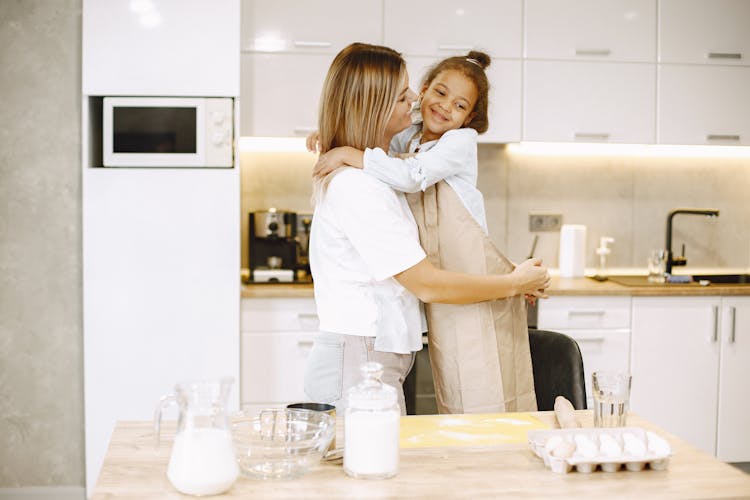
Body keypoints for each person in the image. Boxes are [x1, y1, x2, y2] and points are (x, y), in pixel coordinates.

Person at [304, 42, 550, 414]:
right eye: (404, 95)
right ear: (375, 106)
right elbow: (426, 282)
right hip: (359, 363)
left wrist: (503, 276)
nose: (416, 99)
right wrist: (511, 284)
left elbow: (445, 242)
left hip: (371, 358)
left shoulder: (383, 170)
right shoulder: (361, 186)